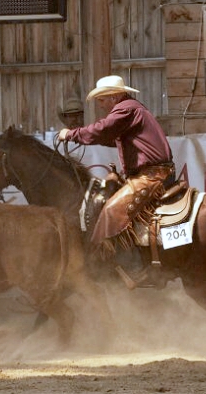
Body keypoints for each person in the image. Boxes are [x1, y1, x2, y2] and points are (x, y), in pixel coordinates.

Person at [58, 75, 174, 289]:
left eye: (102, 100)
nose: (101, 105)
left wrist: (72, 134)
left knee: (111, 211)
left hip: (152, 176)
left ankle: (138, 271)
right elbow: (109, 136)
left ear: (113, 96)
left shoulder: (126, 108)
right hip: (151, 173)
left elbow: (102, 130)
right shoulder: (132, 110)